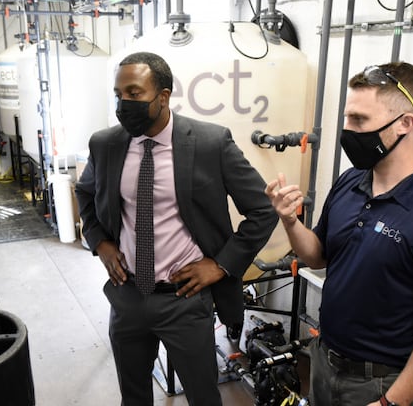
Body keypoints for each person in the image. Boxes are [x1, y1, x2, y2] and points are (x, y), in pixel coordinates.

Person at [266, 62, 413, 406]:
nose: (346, 130)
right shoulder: (351, 181)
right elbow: (318, 255)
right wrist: (291, 222)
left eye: (359, 121)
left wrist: (389, 403)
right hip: (324, 362)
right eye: (347, 118)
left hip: (383, 385)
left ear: (405, 124)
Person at [75, 51, 278, 406]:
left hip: (183, 301)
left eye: (134, 94)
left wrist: (220, 264)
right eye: (118, 94)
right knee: (134, 397)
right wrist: (100, 242)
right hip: (128, 297)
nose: (124, 103)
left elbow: (262, 210)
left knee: (202, 397)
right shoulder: (106, 144)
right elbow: (86, 193)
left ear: (163, 96)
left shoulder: (210, 144)